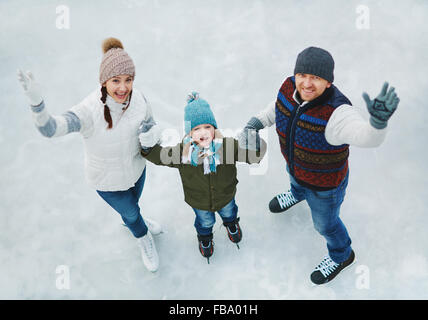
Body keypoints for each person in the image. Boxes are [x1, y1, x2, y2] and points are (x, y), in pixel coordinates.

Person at [238, 46, 399, 284]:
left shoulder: (338, 113)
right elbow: (278, 107)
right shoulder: (289, 87)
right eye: (303, 75)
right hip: (296, 168)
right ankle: (297, 193)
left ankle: (342, 255)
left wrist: (377, 123)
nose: (307, 83)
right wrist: (256, 123)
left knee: (326, 225)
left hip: (325, 188)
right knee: (295, 181)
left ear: (328, 83)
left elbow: (366, 137)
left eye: (316, 77)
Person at [17, 37, 162, 272]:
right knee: (132, 213)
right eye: (116, 80)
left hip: (137, 171)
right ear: (103, 81)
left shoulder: (140, 99)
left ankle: (135, 222)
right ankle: (142, 236)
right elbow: (50, 129)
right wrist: (37, 104)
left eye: (128, 80)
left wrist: (152, 135)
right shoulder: (88, 111)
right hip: (108, 182)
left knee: (133, 207)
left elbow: (152, 125)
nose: (123, 88)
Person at [138, 92, 266, 263]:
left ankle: (231, 224)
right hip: (199, 201)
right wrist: (147, 145)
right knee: (205, 222)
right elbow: (160, 156)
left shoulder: (227, 146)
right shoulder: (182, 153)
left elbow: (252, 157)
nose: (203, 132)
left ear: (215, 128)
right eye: (196, 129)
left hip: (226, 195)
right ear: (189, 133)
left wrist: (254, 142)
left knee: (230, 212)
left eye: (207, 127)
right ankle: (205, 237)